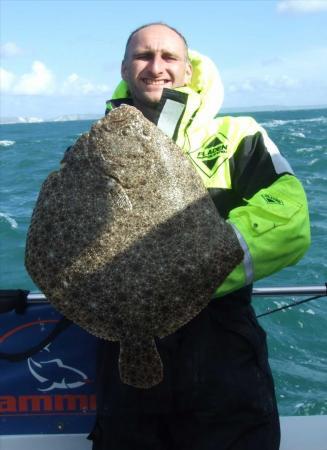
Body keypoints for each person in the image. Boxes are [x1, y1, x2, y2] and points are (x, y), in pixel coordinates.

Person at [88, 23, 310, 450]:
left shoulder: (237, 136)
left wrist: (184, 272)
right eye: (143, 56)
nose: (156, 67)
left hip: (218, 350)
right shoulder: (95, 146)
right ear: (124, 67)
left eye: (169, 57)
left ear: (188, 70)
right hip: (122, 349)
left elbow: (290, 222)